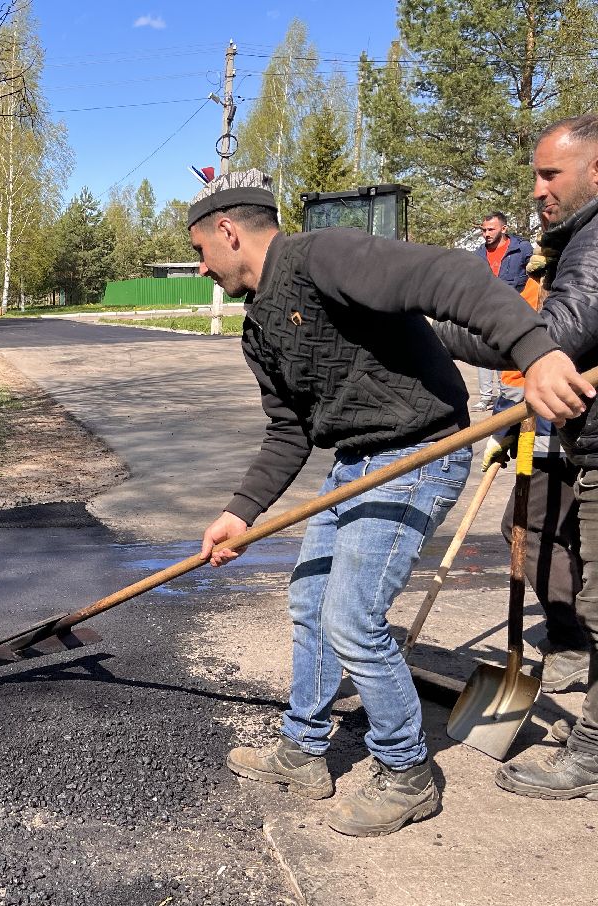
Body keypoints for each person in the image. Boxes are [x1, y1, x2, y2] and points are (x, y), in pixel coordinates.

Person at [189, 169, 569, 836]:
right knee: (310, 599)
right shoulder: (258, 329)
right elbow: (289, 431)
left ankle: (407, 773)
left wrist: (534, 354)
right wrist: (241, 511)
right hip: (354, 461)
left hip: (418, 452)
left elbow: (449, 279)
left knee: (352, 617)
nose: (199, 269)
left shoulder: (325, 256)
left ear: (228, 231)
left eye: (199, 252)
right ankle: (303, 752)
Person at [436, 114, 598, 801]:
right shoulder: (594, 232)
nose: (539, 191)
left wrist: (440, 332)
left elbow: (550, 338)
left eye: (551, 174)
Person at [483, 249, 589, 697]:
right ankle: (583, 638)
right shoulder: (576, 307)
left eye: (544, 278)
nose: (539, 287)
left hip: (563, 450)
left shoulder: (574, 314)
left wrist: (510, 427)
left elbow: (556, 387)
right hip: (563, 446)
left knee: (526, 529)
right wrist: (508, 428)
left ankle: (572, 641)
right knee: (575, 539)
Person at [473, 213, 535, 411]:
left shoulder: (522, 249)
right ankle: (486, 397)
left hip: (515, 311)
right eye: (484, 230)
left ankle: (507, 395)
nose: (486, 234)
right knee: (482, 353)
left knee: (506, 355)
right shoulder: (478, 254)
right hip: (487, 311)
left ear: (504, 229)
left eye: (491, 229)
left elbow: (536, 274)